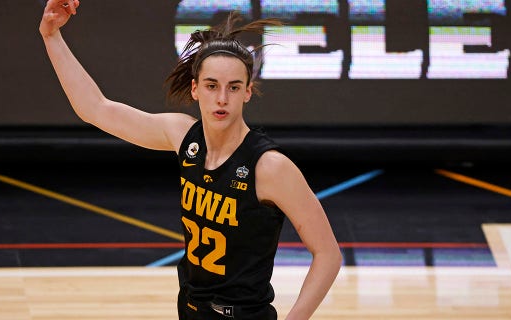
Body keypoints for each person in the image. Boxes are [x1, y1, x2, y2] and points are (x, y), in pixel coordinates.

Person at [39, 1, 342, 319]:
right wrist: (51, 35)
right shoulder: (184, 136)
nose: (222, 98)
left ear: (248, 92)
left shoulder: (269, 166)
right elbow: (95, 108)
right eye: (212, 86)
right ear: (196, 89)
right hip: (190, 311)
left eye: (233, 87)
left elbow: (328, 255)